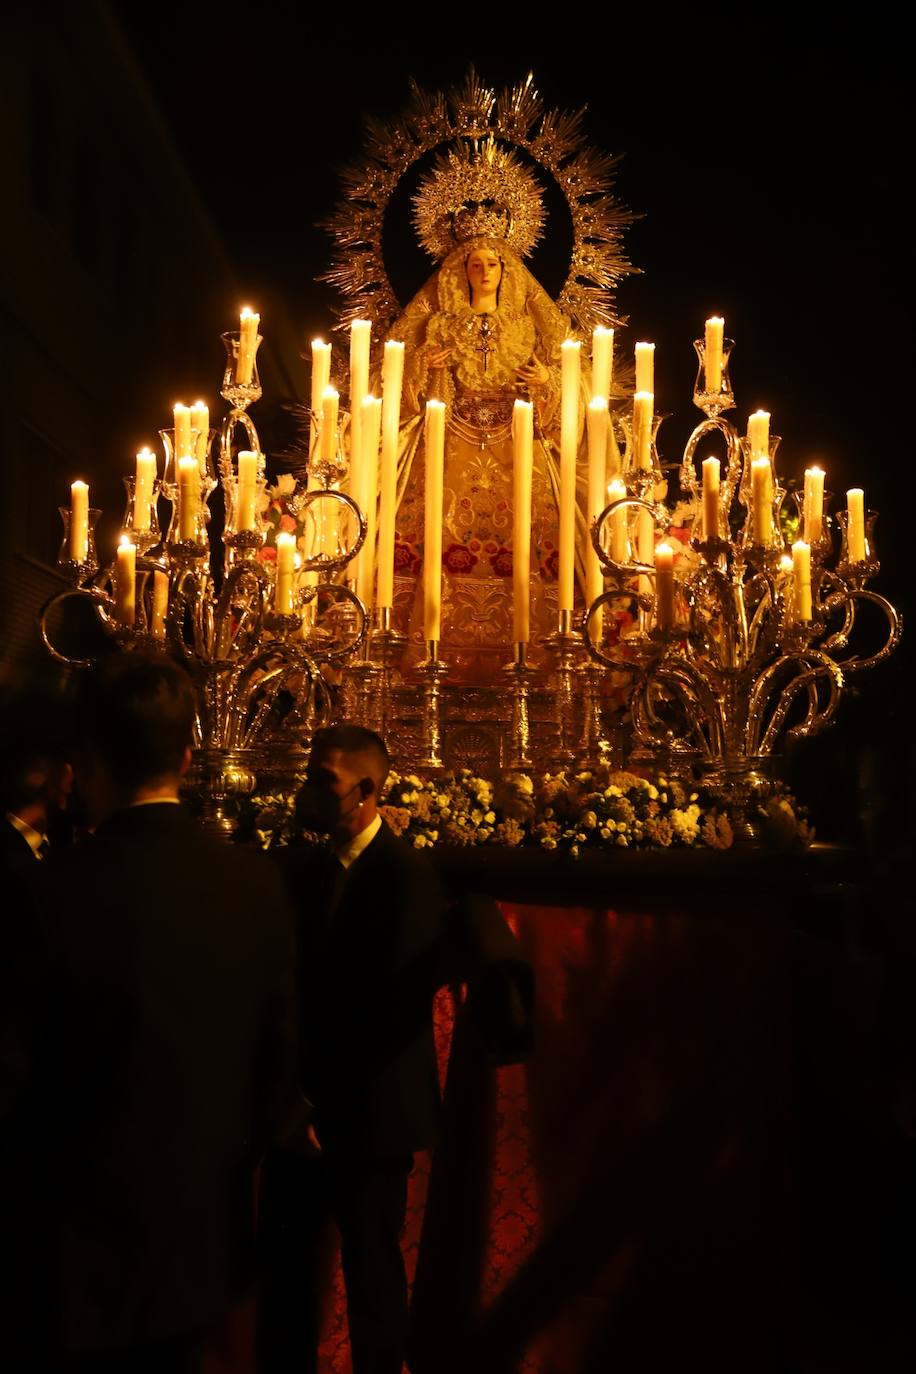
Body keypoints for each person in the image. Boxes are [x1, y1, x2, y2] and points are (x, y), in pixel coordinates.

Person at [0, 651, 312, 1374]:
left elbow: (12, 1073)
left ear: (87, 759)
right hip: (204, 1244)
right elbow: (280, 1059)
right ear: (189, 753)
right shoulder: (256, 884)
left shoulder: (48, 894)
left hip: (70, 1249)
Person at [258, 723, 447, 1374]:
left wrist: (319, 1103)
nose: (309, 789)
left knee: (371, 1278)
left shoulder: (405, 875)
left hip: (370, 1114)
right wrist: (291, 1099)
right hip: (296, 1115)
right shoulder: (304, 870)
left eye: (323, 778)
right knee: (284, 1276)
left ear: (365, 789)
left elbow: (391, 1007)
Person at [386, 234, 586, 682]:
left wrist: (544, 382)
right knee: (431, 533)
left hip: (516, 443)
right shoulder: (440, 322)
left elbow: (565, 380)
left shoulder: (526, 324)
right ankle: (428, 659)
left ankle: (537, 664)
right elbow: (413, 387)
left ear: (506, 271)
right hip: (450, 442)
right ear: (461, 272)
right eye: (475, 264)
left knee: (533, 538)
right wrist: (426, 366)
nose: (484, 271)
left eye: (493, 263)